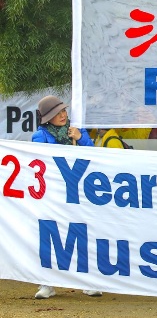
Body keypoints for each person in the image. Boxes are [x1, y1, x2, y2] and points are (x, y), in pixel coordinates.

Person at [31, 95, 102, 299]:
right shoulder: (40, 136)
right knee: (50, 236)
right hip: (52, 194)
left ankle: (87, 281)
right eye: (57, 113)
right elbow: (44, 161)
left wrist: (81, 139)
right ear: (47, 118)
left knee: (82, 235)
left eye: (63, 111)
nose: (62, 115)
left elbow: (94, 157)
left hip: (78, 192)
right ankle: (47, 283)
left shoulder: (78, 132)